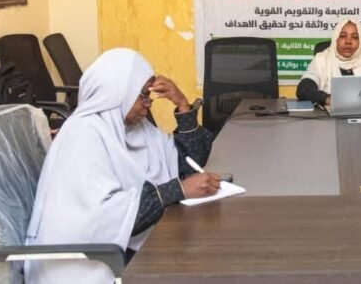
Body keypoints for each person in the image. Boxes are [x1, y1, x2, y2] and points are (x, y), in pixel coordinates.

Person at [26, 48, 220, 283]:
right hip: (83, 266)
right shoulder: (84, 135)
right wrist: (176, 190)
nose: (148, 105)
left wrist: (181, 103)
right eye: (143, 96)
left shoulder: (133, 127)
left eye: (149, 95)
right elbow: (102, 221)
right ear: (119, 91)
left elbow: (189, 162)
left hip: (122, 250)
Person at [297, 19, 361, 105]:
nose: (348, 41)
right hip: (328, 117)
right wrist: (328, 99)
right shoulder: (322, 59)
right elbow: (303, 89)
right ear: (335, 39)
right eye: (342, 36)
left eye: (355, 37)